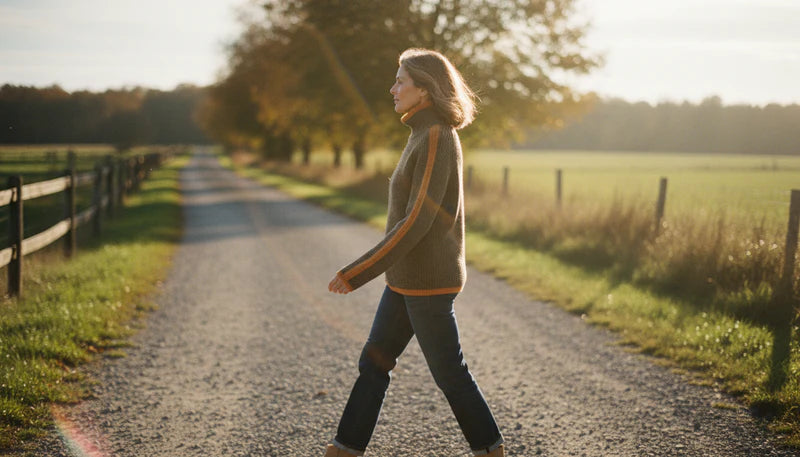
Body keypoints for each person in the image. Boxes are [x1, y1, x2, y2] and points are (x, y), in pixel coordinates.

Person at [325, 48, 505, 457]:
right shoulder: (421, 134)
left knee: (451, 377)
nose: (393, 88)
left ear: (425, 89)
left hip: (427, 284)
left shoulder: (438, 136)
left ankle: (492, 452)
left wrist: (358, 271)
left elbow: (417, 220)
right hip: (405, 282)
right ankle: (344, 450)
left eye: (401, 81)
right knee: (374, 365)